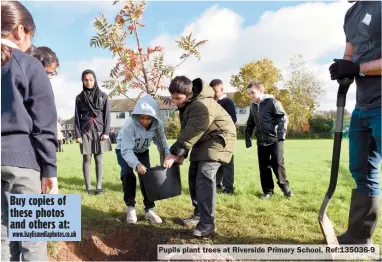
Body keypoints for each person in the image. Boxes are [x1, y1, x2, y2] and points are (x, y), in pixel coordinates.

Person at [1, 1, 58, 261]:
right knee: (32, 242)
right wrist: (50, 171)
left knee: (1, 241)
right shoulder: (29, 65)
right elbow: (44, 126)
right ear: (20, 30)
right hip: (22, 166)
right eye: (30, 35)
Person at [328, 0, 381, 244]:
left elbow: (357, 65)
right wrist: (343, 68)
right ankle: (359, 236)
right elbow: (350, 53)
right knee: (362, 170)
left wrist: (357, 68)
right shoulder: (351, 13)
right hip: (363, 106)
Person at [164, 76, 236, 237]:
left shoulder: (201, 104)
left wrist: (174, 153)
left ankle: (207, 224)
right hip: (204, 140)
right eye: (173, 97)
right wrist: (183, 154)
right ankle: (199, 215)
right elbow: (188, 131)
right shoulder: (188, 104)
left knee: (204, 175)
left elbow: (193, 130)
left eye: (178, 98)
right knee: (193, 175)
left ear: (189, 94)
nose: (175, 101)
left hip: (219, 139)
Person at [116, 94, 170, 224]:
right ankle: (130, 208)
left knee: (147, 177)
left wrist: (166, 156)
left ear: (154, 117)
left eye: (148, 118)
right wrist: (136, 164)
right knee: (128, 174)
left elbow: (162, 143)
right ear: (138, 115)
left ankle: (149, 209)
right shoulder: (130, 125)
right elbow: (127, 150)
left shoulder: (157, 125)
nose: (145, 121)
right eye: (142, 117)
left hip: (142, 151)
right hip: (124, 150)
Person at [244, 82, 292, 199]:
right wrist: (247, 136)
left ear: (261, 90)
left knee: (277, 163)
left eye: (253, 93)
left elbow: (283, 118)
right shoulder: (253, 106)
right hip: (261, 140)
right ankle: (268, 191)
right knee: (264, 166)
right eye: (249, 94)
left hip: (275, 139)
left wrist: (281, 135)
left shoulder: (273, 102)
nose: (251, 95)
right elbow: (251, 122)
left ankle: (284, 187)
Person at [74, 69, 112, 195]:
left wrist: (106, 132)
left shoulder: (103, 96)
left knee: (99, 158)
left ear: (95, 80)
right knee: (86, 158)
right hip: (85, 131)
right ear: (82, 81)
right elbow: (77, 117)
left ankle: (99, 186)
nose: (88, 82)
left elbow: (107, 115)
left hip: (100, 130)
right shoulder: (79, 98)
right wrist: (78, 134)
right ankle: (88, 187)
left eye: (91, 80)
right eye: (86, 80)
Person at [210, 79, 237, 194]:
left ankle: (229, 188)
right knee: (217, 162)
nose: (213, 94)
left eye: (215, 91)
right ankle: (218, 184)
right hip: (215, 137)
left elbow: (233, 119)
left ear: (222, 89)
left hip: (226, 137)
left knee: (227, 163)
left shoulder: (227, 102)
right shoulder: (213, 103)